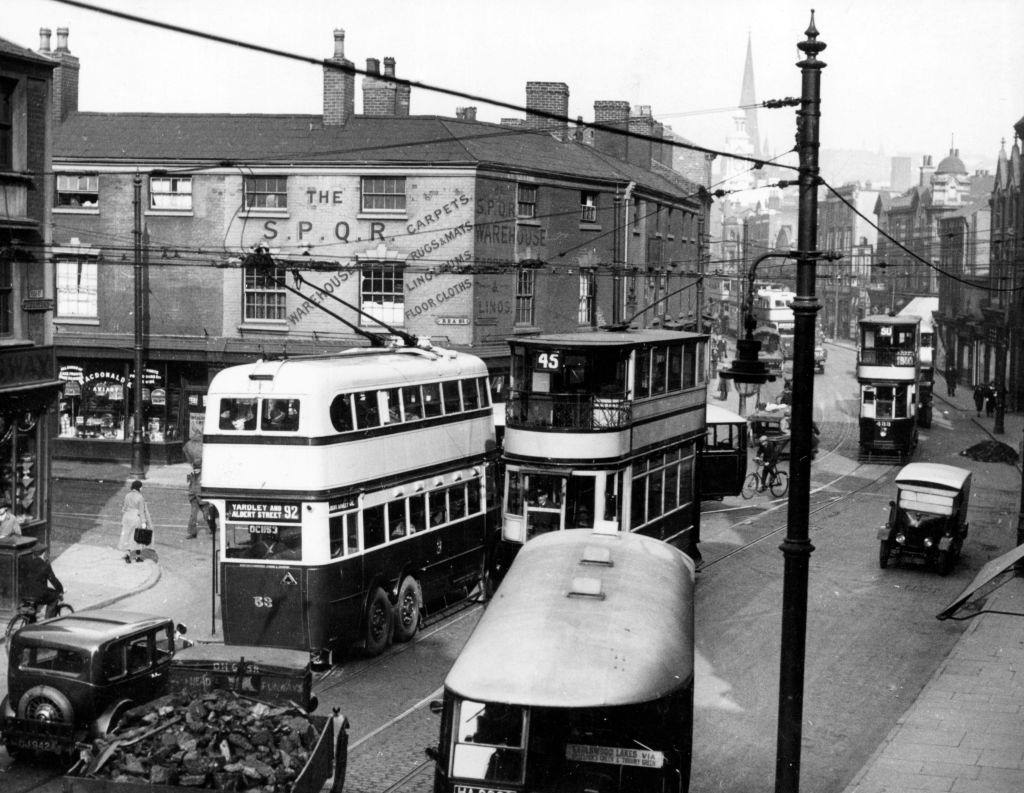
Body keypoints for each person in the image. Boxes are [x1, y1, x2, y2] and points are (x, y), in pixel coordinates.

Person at [21, 546, 64, 619]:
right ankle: (47, 622)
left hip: (24, 592)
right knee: (55, 597)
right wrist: (60, 590)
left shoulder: (27, 562)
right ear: (43, 554)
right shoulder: (45, 565)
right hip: (38, 594)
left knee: (33, 607)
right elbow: (53, 580)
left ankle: (30, 623)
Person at [119, 479, 153, 563]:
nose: (142, 489)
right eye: (141, 487)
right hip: (135, 518)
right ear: (138, 487)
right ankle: (137, 557)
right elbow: (141, 511)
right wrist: (144, 522)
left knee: (127, 536)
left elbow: (123, 509)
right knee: (137, 538)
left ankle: (127, 554)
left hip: (127, 517)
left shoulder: (127, 495)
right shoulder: (140, 497)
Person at [186, 467, 210, 539]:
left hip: (203, 498)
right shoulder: (191, 474)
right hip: (194, 498)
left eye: (197, 468)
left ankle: (212, 528)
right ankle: (192, 533)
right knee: (193, 515)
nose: (196, 470)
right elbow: (189, 483)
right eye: (195, 468)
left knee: (207, 515)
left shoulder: (205, 475)